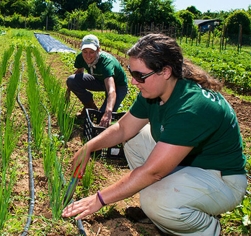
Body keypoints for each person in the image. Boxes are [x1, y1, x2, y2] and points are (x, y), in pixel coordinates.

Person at [62, 34, 247, 235]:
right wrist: (89, 147)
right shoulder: (154, 90)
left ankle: (207, 229)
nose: (133, 82)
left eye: (140, 75)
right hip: (188, 164)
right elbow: (124, 128)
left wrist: (98, 199)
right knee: (133, 137)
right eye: (131, 73)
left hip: (220, 179)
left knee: (154, 200)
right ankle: (164, 205)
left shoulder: (192, 107)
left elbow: (153, 172)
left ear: (165, 71)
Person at [66, 34, 128, 127]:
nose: (88, 56)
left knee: (101, 118)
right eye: (85, 51)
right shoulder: (80, 57)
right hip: (99, 80)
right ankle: (89, 106)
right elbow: (79, 72)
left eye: (92, 52)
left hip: (118, 85)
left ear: (98, 50)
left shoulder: (106, 63)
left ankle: (106, 115)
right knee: (71, 80)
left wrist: (108, 112)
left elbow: (111, 90)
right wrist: (68, 90)